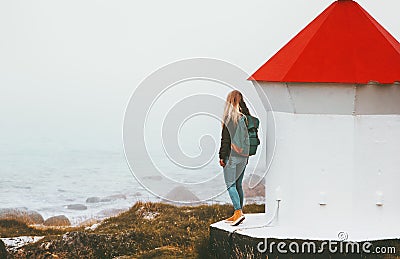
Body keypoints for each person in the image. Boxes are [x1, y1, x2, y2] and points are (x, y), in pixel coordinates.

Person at [219, 90, 250, 226]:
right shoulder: (247, 118)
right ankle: (238, 213)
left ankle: (238, 212)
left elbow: (225, 140)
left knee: (230, 185)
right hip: (244, 156)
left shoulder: (230, 118)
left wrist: (221, 156)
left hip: (231, 157)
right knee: (238, 185)